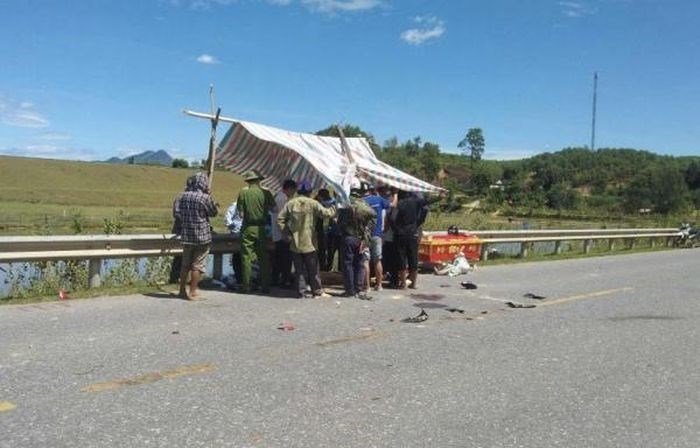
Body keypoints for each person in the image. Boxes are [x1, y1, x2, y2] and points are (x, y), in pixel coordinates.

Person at [277, 181, 337, 298]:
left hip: (295, 242)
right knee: (313, 269)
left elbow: (280, 219)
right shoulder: (313, 203)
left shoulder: (291, 203)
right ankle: (317, 291)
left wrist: (286, 233)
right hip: (310, 242)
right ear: (310, 192)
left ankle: (301, 292)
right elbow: (327, 213)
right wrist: (336, 206)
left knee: (299, 270)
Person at [174, 172, 218, 300]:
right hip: (202, 236)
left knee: (185, 264)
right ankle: (193, 292)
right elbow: (213, 213)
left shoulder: (182, 196)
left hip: (187, 235)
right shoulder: (204, 198)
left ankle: (181, 290)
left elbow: (177, 214)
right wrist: (210, 198)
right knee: (197, 265)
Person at [393, 190, 445, 289]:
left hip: (401, 234)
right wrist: (440, 197)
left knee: (402, 259)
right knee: (413, 258)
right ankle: (413, 283)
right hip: (413, 233)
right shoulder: (416, 202)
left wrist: (396, 229)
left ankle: (403, 284)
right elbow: (428, 201)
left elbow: (393, 217)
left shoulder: (400, 204)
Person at [236, 170, 275, 293]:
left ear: (248, 181)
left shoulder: (243, 193)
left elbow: (241, 215)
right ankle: (265, 286)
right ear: (259, 180)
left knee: (246, 257)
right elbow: (274, 209)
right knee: (263, 257)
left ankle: (247, 286)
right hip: (262, 228)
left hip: (247, 227)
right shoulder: (266, 192)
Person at [337, 182, 376, 299]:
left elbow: (340, 223)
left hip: (348, 238)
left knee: (347, 264)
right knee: (359, 264)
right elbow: (373, 218)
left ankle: (350, 291)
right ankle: (359, 289)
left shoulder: (346, 204)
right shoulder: (365, 205)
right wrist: (366, 237)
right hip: (362, 239)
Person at [363, 185, 397, 290]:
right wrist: (395, 193)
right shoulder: (380, 200)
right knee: (378, 260)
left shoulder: (362, 201)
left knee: (365, 261)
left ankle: (367, 286)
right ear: (376, 191)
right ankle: (379, 285)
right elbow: (393, 205)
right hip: (377, 234)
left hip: (365, 235)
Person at [270, 179, 297, 287]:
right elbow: (282, 219)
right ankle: (285, 280)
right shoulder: (283, 199)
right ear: (289, 189)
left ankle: (276, 279)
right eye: (294, 190)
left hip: (278, 233)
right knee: (285, 258)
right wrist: (286, 233)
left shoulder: (278, 196)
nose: (294, 193)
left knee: (279, 257)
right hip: (282, 233)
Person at [223, 200, 243, 287]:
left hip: (246, 232)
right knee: (237, 256)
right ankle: (239, 277)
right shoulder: (235, 205)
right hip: (237, 232)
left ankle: (243, 278)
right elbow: (228, 215)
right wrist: (231, 225)